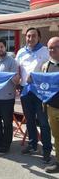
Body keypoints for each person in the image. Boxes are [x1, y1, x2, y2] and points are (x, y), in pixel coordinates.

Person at [15, 28, 52, 163]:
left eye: (33, 36)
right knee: (29, 120)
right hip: (26, 91)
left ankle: (47, 150)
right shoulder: (20, 52)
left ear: (39, 37)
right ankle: (32, 145)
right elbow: (17, 69)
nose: (30, 38)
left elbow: (51, 69)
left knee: (43, 122)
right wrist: (18, 77)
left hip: (41, 92)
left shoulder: (45, 51)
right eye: (28, 36)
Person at [43, 37, 59, 173]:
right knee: (57, 136)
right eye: (50, 48)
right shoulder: (46, 65)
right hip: (52, 108)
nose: (52, 50)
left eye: (55, 47)